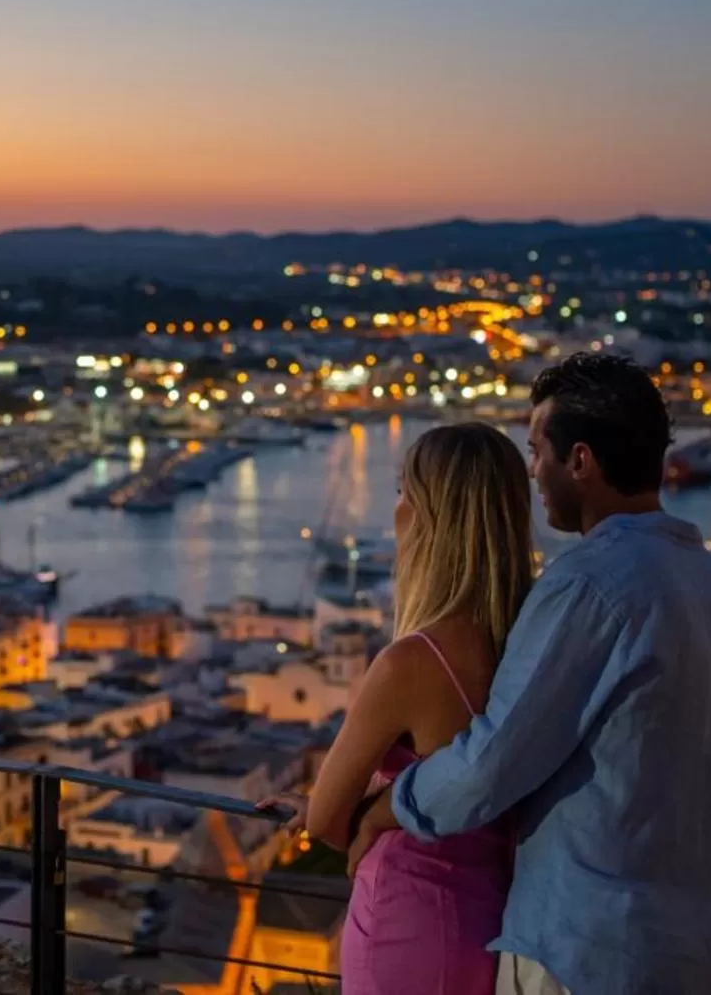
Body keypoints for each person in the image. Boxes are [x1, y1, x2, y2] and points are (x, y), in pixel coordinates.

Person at [349, 352, 711, 995]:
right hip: (693, 946)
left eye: (538, 450)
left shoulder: (589, 585)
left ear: (581, 461)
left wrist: (387, 808)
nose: (532, 471)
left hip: (584, 946)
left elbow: (492, 761)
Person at [276, 421, 538, 995]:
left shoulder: (411, 662)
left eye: (403, 492)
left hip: (405, 919)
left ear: (430, 517)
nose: (395, 511)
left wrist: (347, 806)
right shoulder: (531, 643)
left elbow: (325, 821)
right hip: (489, 923)